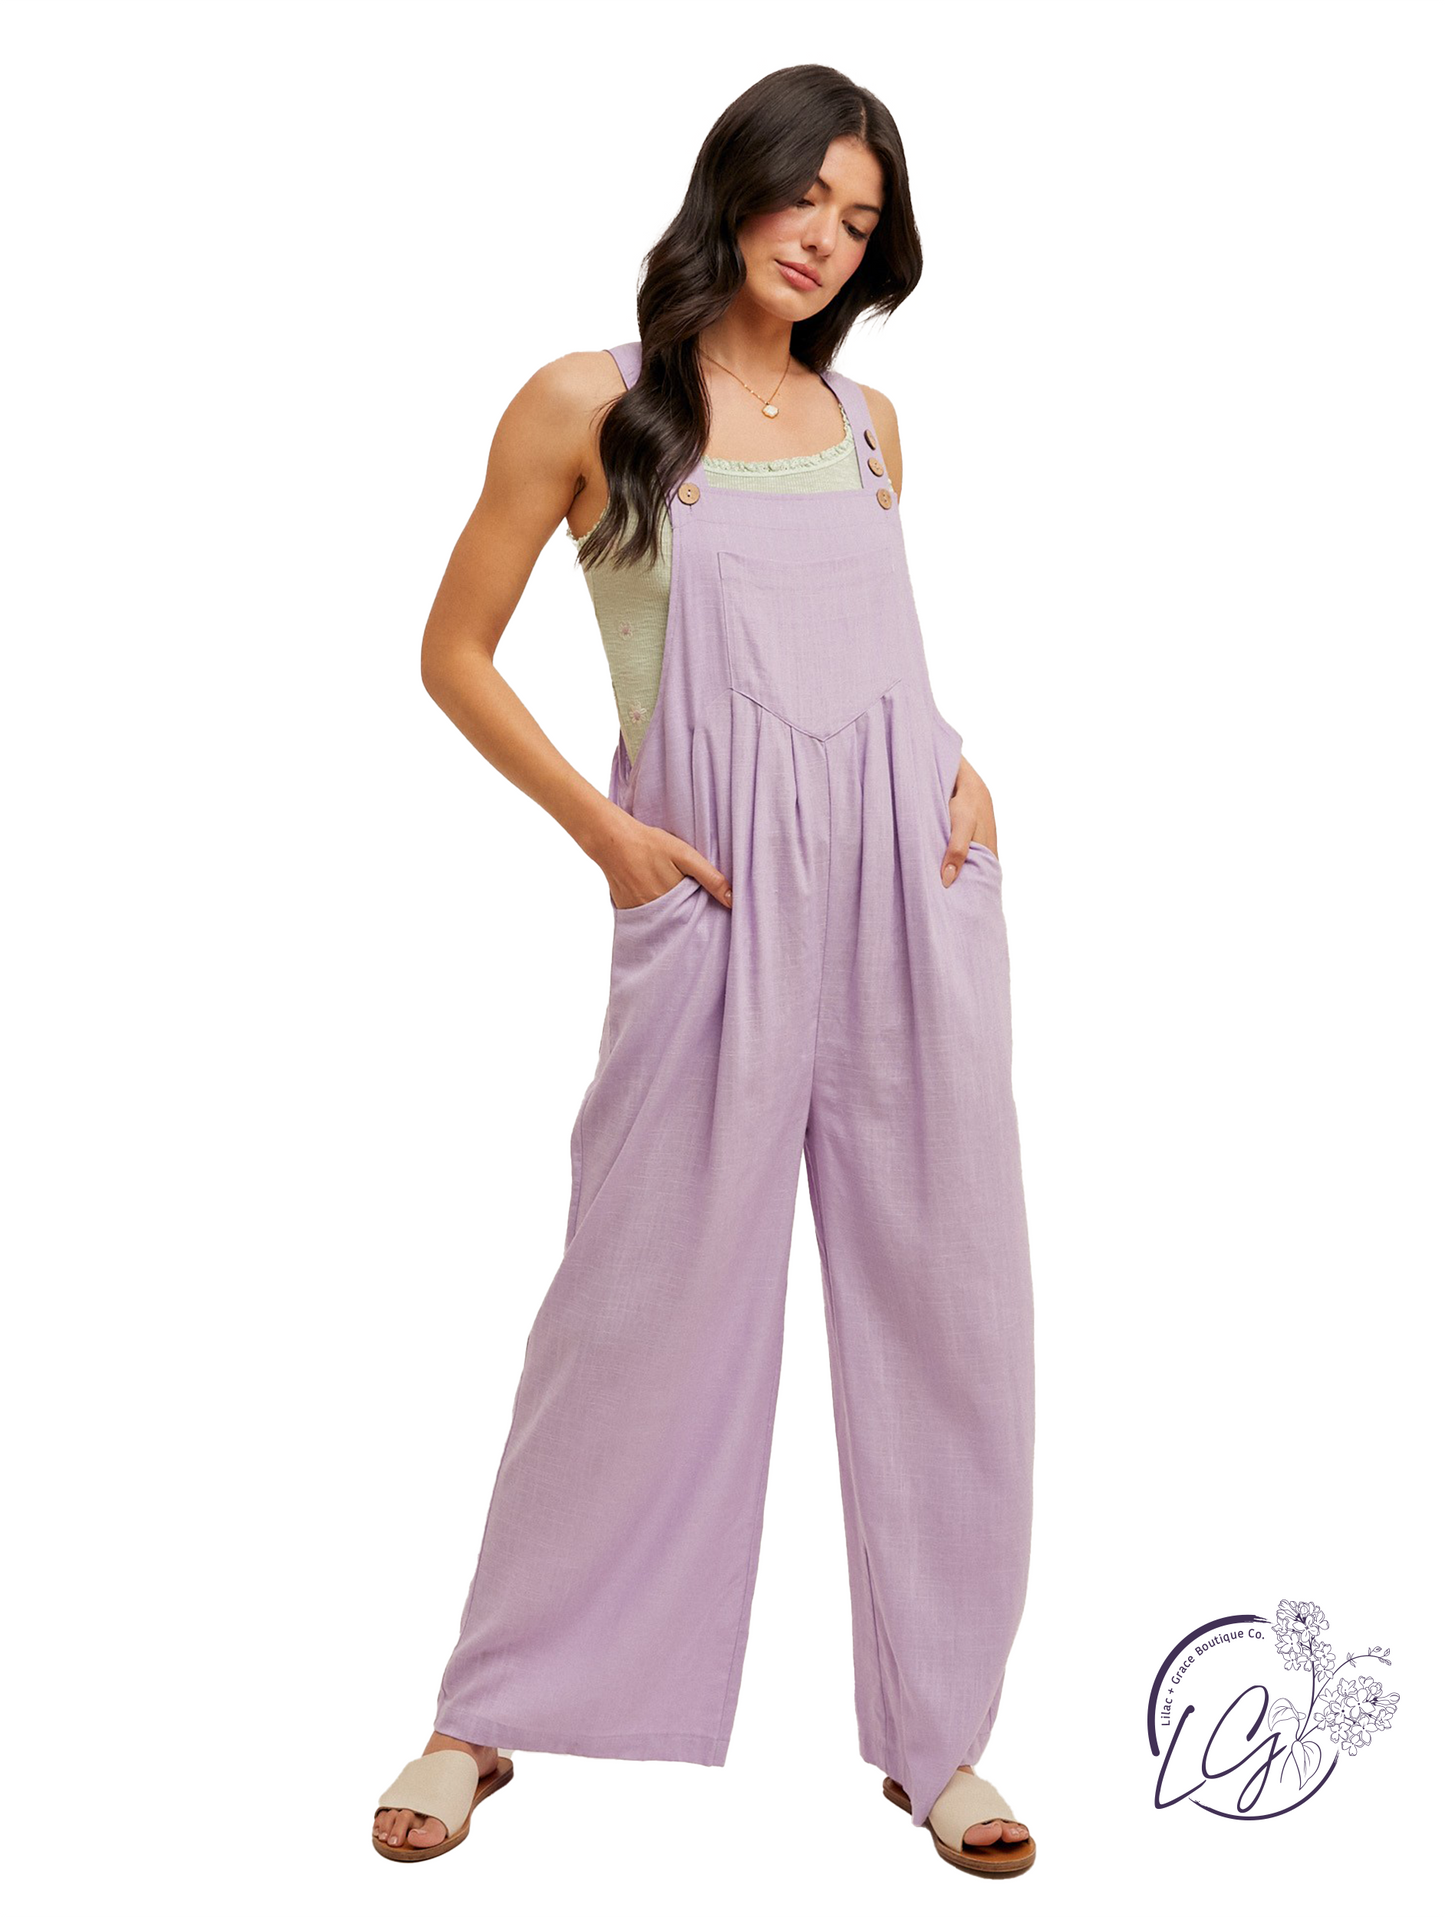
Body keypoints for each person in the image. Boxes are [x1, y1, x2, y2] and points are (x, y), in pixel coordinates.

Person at [373, 63, 1037, 1879]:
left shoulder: (872, 423)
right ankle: (483, 1708)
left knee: (952, 1311)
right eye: (806, 195)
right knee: (633, 1311)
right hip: (714, 898)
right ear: (735, 185)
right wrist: (608, 835)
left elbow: (884, 663)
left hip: (913, 893)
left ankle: (940, 1739)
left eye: (862, 220)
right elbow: (453, 651)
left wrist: (959, 768)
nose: (827, 239)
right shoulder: (593, 402)